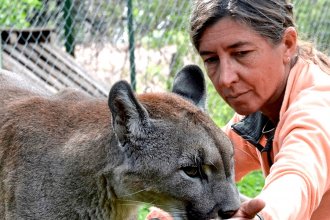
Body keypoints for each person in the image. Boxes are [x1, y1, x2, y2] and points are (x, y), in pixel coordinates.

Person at [147, 0, 330, 219]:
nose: (225, 79)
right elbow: (215, 161)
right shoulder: (261, 111)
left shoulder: (317, 106)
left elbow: (297, 175)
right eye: (212, 59)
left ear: (288, 44)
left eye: (241, 53)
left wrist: (265, 216)